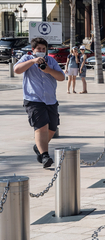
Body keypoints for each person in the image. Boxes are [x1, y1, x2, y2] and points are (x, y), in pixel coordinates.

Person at [13, 37, 65, 168]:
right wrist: (33, 61)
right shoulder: (26, 59)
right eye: (39, 49)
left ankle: (39, 147)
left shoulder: (51, 61)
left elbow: (61, 77)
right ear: (33, 50)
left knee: (52, 128)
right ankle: (45, 156)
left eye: (43, 49)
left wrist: (48, 70)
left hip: (50, 100)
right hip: (33, 99)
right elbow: (17, 70)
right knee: (41, 127)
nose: (41, 51)